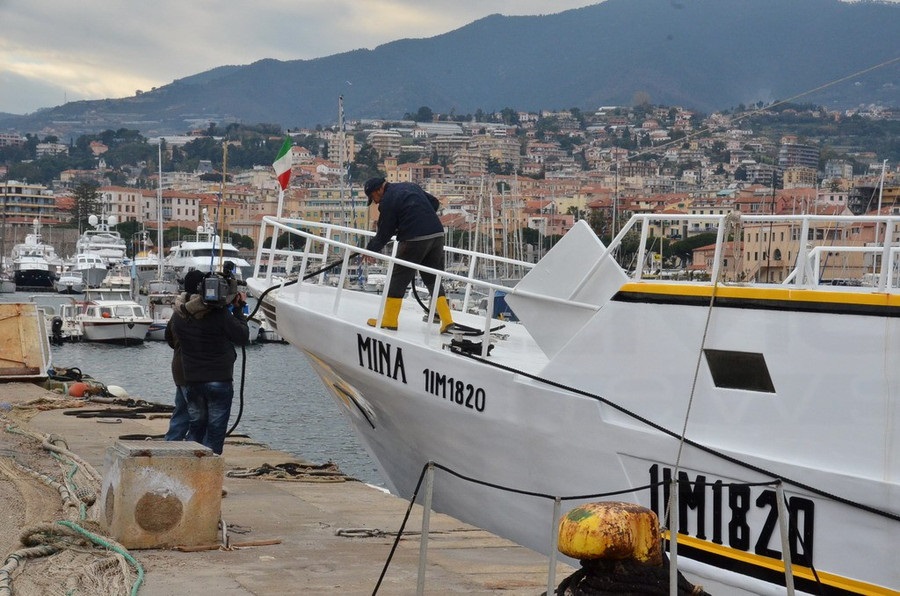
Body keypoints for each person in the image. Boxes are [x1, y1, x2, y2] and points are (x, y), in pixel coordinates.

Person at [166, 269, 250, 454]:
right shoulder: (218, 315)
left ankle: (188, 464)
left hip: (192, 380)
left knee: (196, 425)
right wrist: (238, 309)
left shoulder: (180, 315)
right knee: (215, 429)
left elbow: (171, 340)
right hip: (218, 380)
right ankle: (207, 471)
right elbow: (242, 336)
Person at [363, 176, 454, 332]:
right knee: (433, 278)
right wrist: (418, 217)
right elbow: (434, 202)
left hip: (414, 239)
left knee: (399, 276)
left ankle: (389, 320)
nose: (375, 202)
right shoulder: (411, 186)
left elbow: (385, 231)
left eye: (373, 197)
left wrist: (370, 250)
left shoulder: (388, 201)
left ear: (379, 189)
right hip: (437, 235)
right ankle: (447, 320)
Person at [163, 270, 205, 442]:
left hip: (178, 368)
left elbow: (169, 338)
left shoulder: (177, 311)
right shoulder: (201, 311)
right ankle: (192, 448)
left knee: (180, 412)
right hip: (194, 371)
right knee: (197, 416)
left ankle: (170, 444)